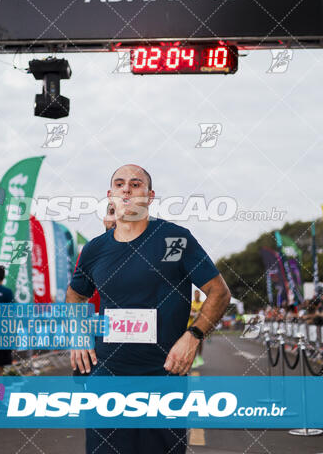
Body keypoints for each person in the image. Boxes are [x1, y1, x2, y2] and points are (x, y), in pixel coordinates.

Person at [67, 164, 231, 454]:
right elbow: (75, 296)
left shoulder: (174, 239)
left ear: (150, 195)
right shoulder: (94, 249)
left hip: (163, 376)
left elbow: (219, 292)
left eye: (135, 184)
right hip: (107, 377)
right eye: (119, 184)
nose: (126, 189)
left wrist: (193, 336)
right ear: (110, 194)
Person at [187, 289, 204, 368]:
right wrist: (196, 313)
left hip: (200, 326)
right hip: (190, 326)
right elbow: (189, 314)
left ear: (200, 295)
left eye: (198, 294)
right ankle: (192, 360)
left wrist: (196, 313)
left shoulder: (203, 303)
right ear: (194, 295)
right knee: (192, 344)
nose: (197, 295)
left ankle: (199, 357)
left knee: (200, 343)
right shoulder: (191, 303)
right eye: (196, 294)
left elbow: (203, 313)